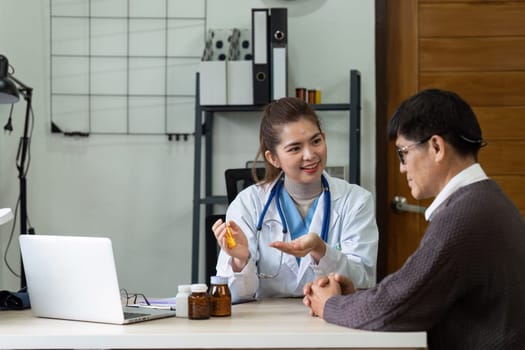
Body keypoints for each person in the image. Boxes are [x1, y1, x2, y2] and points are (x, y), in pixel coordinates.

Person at [303, 89, 525, 349]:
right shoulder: (488, 200)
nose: (402, 167)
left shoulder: (464, 217)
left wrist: (330, 304)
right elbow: (416, 295)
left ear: (436, 147)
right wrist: (353, 299)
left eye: (403, 153)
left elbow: (395, 305)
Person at [212, 97, 379, 303]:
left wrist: (321, 250)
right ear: (273, 158)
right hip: (266, 324)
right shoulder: (248, 204)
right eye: (295, 148)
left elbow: (363, 282)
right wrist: (240, 259)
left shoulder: (355, 201)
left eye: (316, 141)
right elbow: (234, 294)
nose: (310, 155)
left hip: (332, 318)